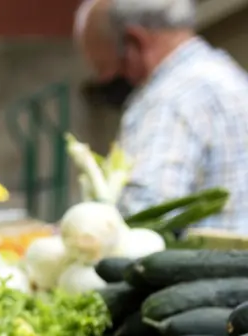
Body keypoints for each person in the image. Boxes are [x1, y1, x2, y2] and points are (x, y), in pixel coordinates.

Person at [76, 0, 248, 232]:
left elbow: (143, 213)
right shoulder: (229, 75)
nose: (110, 82)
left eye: (107, 69)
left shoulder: (169, 99)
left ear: (135, 41)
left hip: (202, 255)